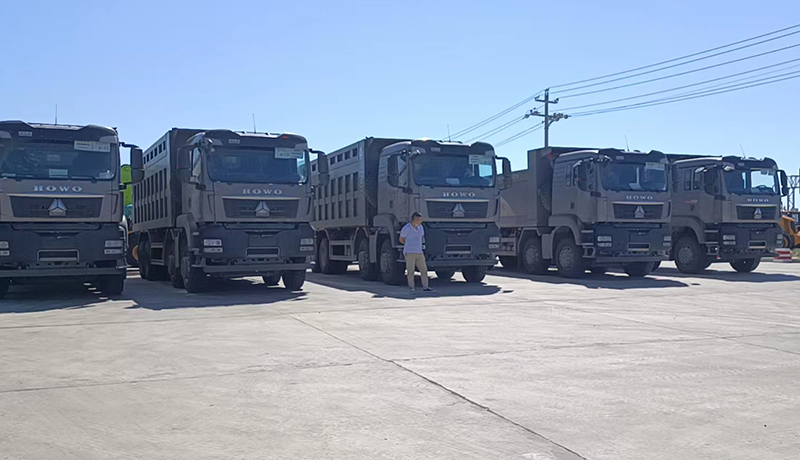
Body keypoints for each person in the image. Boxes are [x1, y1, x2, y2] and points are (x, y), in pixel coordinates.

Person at [399, 212, 434, 294]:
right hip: (410, 252)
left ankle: (425, 287)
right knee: (410, 271)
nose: (421, 221)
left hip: (419, 252)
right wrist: (410, 245)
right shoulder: (406, 228)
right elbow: (401, 239)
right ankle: (411, 287)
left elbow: (421, 237)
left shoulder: (421, 227)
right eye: (420, 219)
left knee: (424, 270)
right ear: (415, 219)